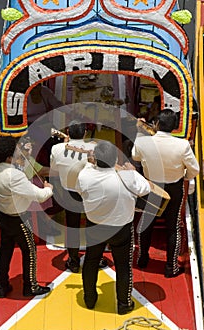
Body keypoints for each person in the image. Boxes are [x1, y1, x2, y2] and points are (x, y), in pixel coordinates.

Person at [77, 140, 151, 314]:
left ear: (94, 159)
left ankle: (90, 299)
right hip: (121, 228)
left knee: (91, 261)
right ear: (116, 158)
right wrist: (133, 172)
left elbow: (82, 189)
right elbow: (146, 188)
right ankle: (124, 304)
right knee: (123, 265)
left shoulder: (84, 175)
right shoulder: (128, 176)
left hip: (94, 225)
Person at [131, 109, 200, 277]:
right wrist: (183, 176)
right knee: (173, 227)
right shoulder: (182, 145)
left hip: (152, 187)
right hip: (174, 188)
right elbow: (194, 170)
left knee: (146, 223)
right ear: (174, 127)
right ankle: (171, 267)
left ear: (157, 124)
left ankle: (143, 259)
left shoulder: (143, 142)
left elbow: (135, 157)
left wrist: (140, 133)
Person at [0, 136, 53, 298]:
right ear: (9, 158)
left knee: (6, 249)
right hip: (19, 219)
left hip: (3, 215)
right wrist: (48, 188)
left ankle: (2, 284)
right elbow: (39, 196)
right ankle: (30, 286)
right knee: (29, 251)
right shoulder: (14, 176)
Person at [50, 121, 108, 273]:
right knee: (94, 226)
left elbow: (54, 169)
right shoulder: (94, 148)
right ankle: (95, 258)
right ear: (85, 134)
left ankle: (73, 260)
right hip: (91, 191)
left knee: (72, 226)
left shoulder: (56, 149)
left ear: (68, 132)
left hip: (69, 191)